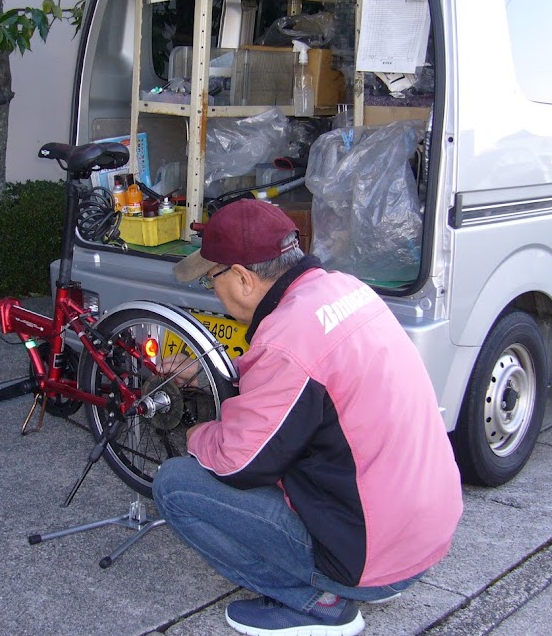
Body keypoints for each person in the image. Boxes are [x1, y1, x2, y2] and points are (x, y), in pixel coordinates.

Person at [153, 199, 462, 636]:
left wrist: (196, 434)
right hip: (422, 531)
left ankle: (318, 604)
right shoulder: (341, 289)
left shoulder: (287, 339)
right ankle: (357, 579)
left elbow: (240, 463)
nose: (213, 292)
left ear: (242, 278)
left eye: (210, 280)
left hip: (374, 557)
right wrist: (206, 376)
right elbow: (305, 377)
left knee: (176, 484)